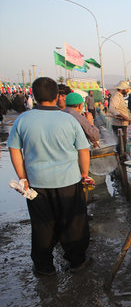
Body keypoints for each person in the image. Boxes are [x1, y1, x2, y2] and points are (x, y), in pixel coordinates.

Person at [7, 77, 91, 276]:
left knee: (42, 225)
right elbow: (83, 150)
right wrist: (84, 174)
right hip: (69, 182)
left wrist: (22, 177)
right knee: (73, 224)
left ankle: (44, 267)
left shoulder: (23, 119)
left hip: (37, 184)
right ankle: (76, 262)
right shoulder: (69, 119)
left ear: (34, 96)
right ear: (57, 96)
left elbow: (14, 149)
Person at [109, 82, 131, 151]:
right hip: (118, 124)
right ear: (122, 89)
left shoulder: (120, 96)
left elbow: (121, 109)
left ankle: (123, 155)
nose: (128, 90)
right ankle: (120, 158)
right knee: (119, 143)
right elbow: (112, 109)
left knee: (123, 142)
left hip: (123, 123)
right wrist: (124, 116)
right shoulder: (116, 96)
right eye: (127, 89)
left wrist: (127, 119)